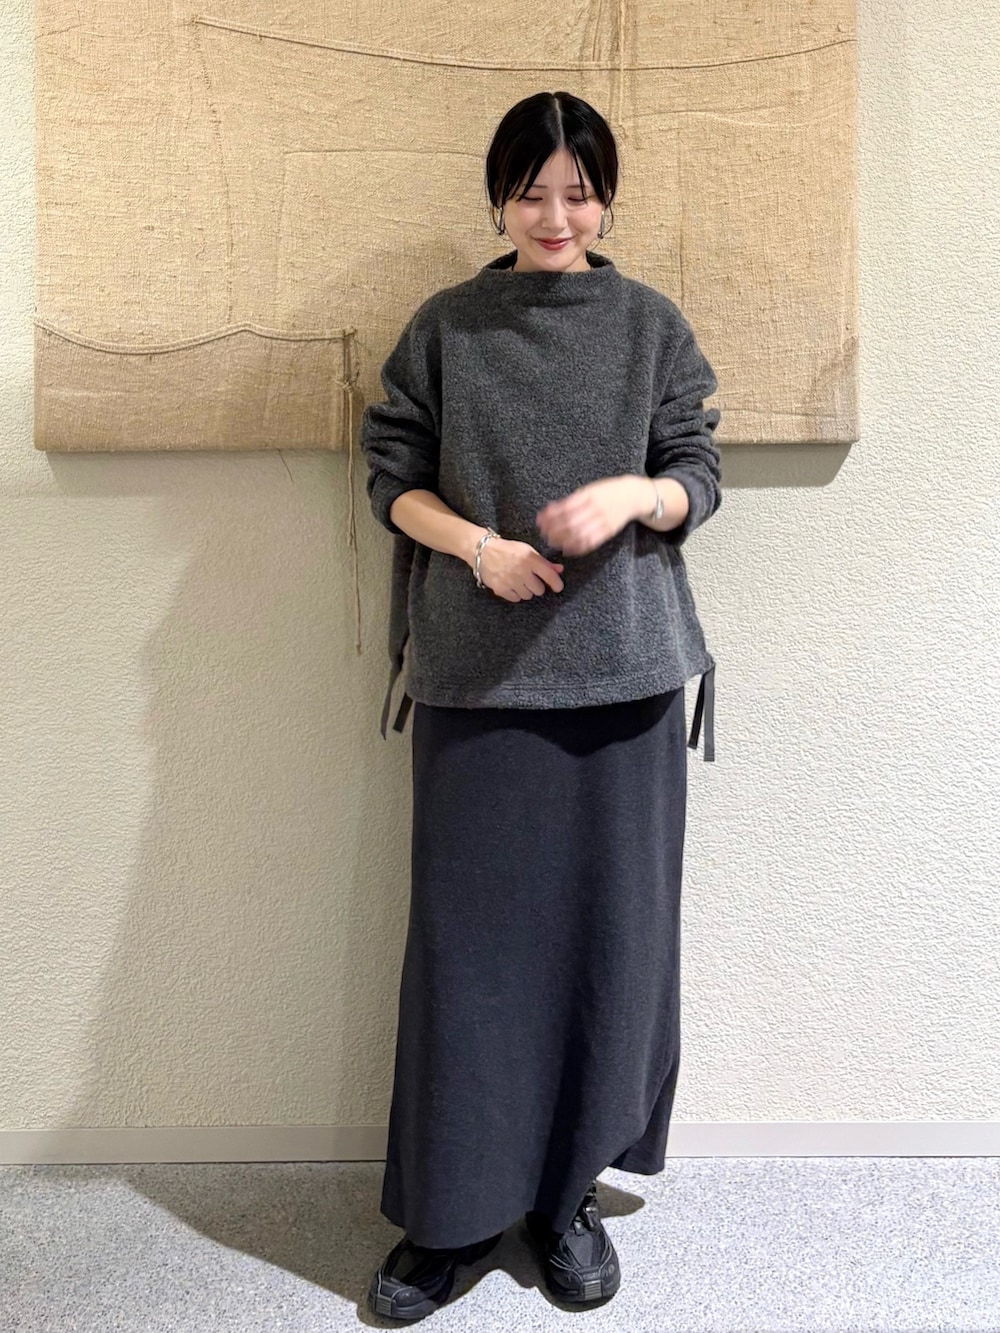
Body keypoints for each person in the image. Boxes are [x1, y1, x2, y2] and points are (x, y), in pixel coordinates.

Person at [359, 89, 721, 1322]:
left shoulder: (650, 325)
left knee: (610, 948)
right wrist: (480, 547)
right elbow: (390, 478)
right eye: (531, 191)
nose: (555, 215)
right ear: (498, 198)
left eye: (579, 192)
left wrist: (632, 495)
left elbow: (697, 473)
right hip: (478, 677)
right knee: (470, 957)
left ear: (605, 198)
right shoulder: (446, 327)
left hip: (627, 680)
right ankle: (450, 1215)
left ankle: (566, 1201)